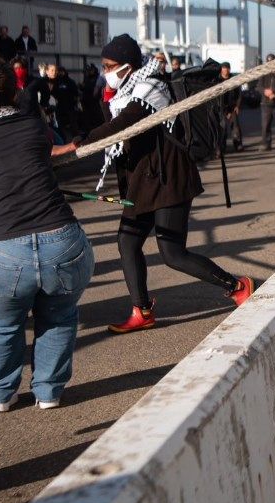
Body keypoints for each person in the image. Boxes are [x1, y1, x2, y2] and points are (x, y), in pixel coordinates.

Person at [0, 60, 93, 413]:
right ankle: (49, 392)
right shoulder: (34, 127)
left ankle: (0, 395)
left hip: (2, 251)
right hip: (62, 241)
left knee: (0, 325)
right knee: (58, 317)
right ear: (16, 94)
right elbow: (41, 156)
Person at [80, 35, 254, 334]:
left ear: (127, 66)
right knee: (127, 242)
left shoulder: (151, 88)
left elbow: (123, 125)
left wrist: (78, 144)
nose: (105, 71)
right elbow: (113, 123)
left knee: (173, 254)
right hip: (144, 182)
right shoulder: (122, 92)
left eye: (109, 66)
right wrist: (105, 96)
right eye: (103, 66)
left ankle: (237, 285)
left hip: (170, 178)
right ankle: (142, 310)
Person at [48, 64, 80, 141]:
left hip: (70, 105)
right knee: (59, 124)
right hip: (59, 106)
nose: (60, 73)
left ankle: (76, 138)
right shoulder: (55, 82)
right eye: (59, 72)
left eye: (62, 71)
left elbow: (76, 93)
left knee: (73, 123)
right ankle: (63, 139)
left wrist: (77, 103)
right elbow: (52, 93)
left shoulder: (70, 82)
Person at [218, 62, 244, 152]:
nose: (226, 70)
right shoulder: (217, 80)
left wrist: (237, 106)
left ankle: (238, 144)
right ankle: (222, 147)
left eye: (227, 68)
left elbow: (239, 94)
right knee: (223, 127)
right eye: (224, 68)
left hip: (233, 107)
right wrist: (223, 110)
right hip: (221, 108)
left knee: (236, 127)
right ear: (221, 69)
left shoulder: (234, 79)